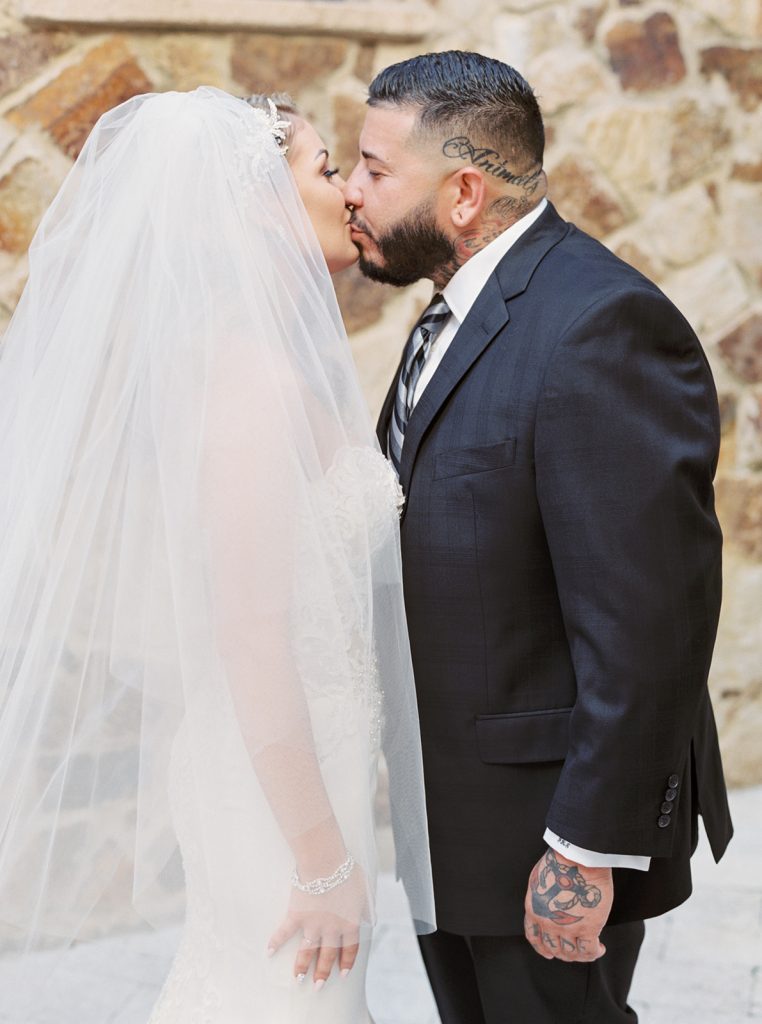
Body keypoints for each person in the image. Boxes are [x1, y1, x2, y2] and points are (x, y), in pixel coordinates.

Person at [0, 87, 434, 1023]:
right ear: (261, 208)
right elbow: (248, 636)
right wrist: (319, 859)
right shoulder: (250, 387)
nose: (349, 191)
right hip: (275, 795)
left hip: (310, 763)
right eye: (326, 169)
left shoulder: (264, 362)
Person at [343, 50, 733, 1024]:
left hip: (542, 835)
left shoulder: (601, 325)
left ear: (464, 193)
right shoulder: (451, 311)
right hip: (451, 822)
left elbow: (651, 623)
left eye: (376, 170)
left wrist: (584, 850)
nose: (352, 190)